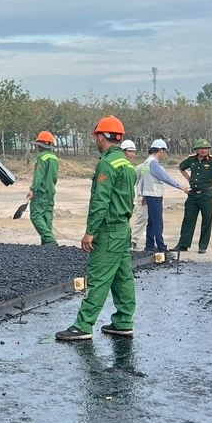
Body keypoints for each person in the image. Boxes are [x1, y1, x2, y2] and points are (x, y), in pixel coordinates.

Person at [55, 115, 137, 341]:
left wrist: (90, 231)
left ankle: (83, 326)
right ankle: (123, 321)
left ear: (101, 136)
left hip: (108, 230)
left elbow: (101, 201)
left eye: (96, 137)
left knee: (99, 277)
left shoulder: (107, 164)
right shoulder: (126, 164)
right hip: (122, 228)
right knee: (123, 277)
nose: (95, 141)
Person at [173, 139, 212, 254]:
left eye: (206, 148)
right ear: (196, 150)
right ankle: (183, 245)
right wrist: (188, 178)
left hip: (206, 194)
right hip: (193, 194)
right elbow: (181, 167)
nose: (204, 150)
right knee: (188, 219)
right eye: (201, 148)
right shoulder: (191, 160)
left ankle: (202, 246)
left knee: (206, 220)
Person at [138, 140, 188, 252]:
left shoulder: (146, 162)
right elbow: (165, 178)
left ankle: (149, 245)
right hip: (155, 195)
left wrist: (143, 195)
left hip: (149, 194)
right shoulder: (154, 163)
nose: (164, 155)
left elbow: (142, 180)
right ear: (160, 151)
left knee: (151, 221)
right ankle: (161, 247)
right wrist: (181, 187)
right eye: (164, 152)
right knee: (157, 222)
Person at [27, 131, 59, 246]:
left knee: (35, 215)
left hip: (41, 191)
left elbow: (39, 175)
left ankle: (49, 239)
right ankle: (46, 244)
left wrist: (33, 189)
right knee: (47, 216)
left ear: (40, 145)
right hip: (51, 191)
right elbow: (54, 176)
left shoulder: (42, 157)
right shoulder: (54, 158)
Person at [122, 140, 147, 249]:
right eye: (129, 151)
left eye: (133, 152)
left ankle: (131, 240)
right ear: (123, 151)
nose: (132, 154)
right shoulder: (123, 166)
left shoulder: (134, 167)